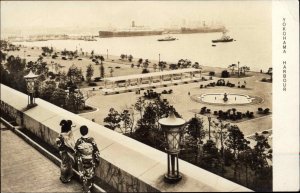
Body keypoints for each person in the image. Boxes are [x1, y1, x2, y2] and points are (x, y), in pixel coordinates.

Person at [75, 125, 100, 193]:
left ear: (80, 132)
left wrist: (80, 157)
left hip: (83, 160)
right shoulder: (91, 140)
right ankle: (89, 188)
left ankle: (86, 189)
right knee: (90, 174)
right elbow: (96, 151)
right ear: (87, 131)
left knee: (84, 175)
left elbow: (76, 151)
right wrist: (97, 160)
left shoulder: (79, 141)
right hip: (90, 160)